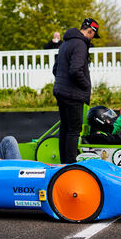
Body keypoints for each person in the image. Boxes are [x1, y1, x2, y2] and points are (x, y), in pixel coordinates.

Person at [52, 18, 100, 163]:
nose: (92, 39)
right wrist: (85, 85)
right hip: (73, 94)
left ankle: (64, 164)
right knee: (74, 130)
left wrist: (64, 83)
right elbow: (75, 70)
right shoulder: (80, 44)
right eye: (93, 35)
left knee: (65, 128)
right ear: (90, 31)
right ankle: (71, 165)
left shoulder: (66, 42)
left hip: (61, 91)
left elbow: (56, 69)